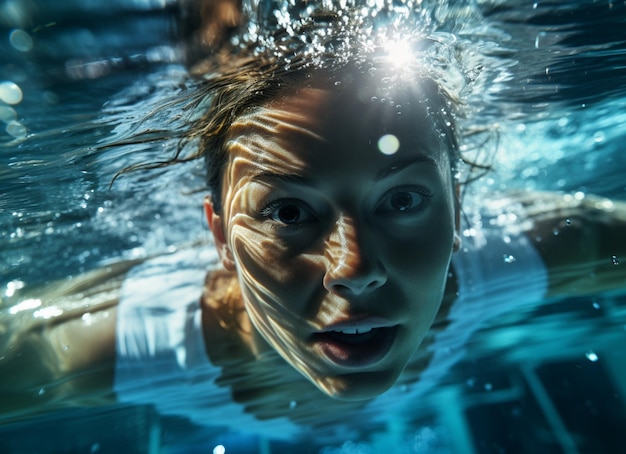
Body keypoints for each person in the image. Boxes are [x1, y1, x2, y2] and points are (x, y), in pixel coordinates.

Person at [1, 4, 625, 431]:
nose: (354, 270)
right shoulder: (138, 341)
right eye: (290, 212)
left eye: (404, 200)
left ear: (457, 208)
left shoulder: (513, 254)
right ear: (220, 235)